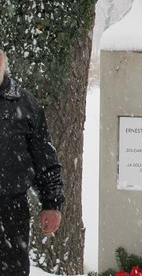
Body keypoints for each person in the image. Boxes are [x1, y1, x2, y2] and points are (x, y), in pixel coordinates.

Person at [0, 49, 64, 275]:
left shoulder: (25, 104)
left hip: (11, 211)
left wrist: (52, 203)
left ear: (3, 59)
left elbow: (44, 160)